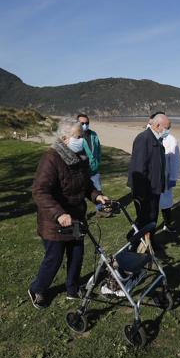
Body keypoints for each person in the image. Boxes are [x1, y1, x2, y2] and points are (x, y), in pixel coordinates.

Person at [28, 117, 109, 309]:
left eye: (81, 136)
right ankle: (37, 289)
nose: (81, 140)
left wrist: (97, 196)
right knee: (54, 258)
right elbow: (39, 191)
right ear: (65, 138)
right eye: (77, 136)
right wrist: (59, 214)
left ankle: (72, 288)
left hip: (76, 218)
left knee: (77, 254)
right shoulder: (51, 158)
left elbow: (86, 184)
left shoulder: (80, 158)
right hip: (55, 221)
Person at [127, 112, 171, 235]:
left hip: (154, 189)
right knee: (144, 219)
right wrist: (142, 195)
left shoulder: (157, 139)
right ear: (157, 125)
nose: (168, 131)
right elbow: (138, 168)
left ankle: (150, 242)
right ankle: (133, 241)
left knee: (152, 218)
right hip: (146, 191)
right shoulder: (144, 138)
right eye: (167, 128)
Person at [160, 122, 180, 233]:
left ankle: (167, 223)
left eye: (168, 128)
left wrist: (173, 177)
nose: (167, 130)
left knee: (165, 202)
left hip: (165, 176)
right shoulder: (149, 137)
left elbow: (175, 160)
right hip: (152, 178)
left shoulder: (171, 140)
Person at [77, 114, 102, 191]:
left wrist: (98, 162)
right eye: (82, 123)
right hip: (81, 171)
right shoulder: (75, 136)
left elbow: (98, 149)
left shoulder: (93, 134)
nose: (85, 125)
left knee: (98, 192)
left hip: (94, 171)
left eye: (87, 123)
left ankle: (100, 203)